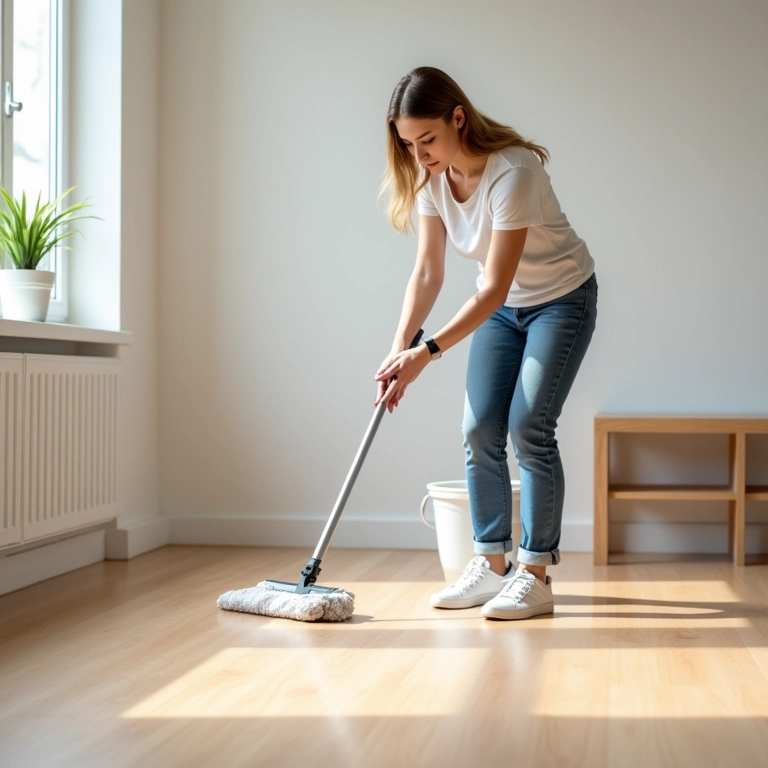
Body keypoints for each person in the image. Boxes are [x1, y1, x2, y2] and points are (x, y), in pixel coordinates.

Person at [374, 67, 597, 620]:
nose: (420, 155)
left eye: (428, 140)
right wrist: (400, 345)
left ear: (458, 117)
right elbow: (428, 272)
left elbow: (495, 286)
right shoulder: (433, 180)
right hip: (502, 312)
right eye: (408, 144)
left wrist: (425, 355)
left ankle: (534, 573)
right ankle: (491, 563)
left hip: (560, 301)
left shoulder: (513, 173)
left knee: (529, 425)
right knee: (478, 428)